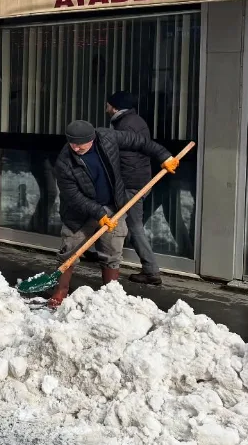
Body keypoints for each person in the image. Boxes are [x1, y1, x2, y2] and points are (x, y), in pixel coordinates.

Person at [49, 119, 179, 308]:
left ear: (92, 138)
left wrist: (164, 156)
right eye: (72, 144)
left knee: (112, 250)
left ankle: (111, 293)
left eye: (80, 144)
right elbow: (73, 196)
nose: (76, 148)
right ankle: (61, 290)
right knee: (70, 251)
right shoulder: (64, 162)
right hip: (79, 213)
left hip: (114, 206)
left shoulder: (108, 138)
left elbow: (141, 142)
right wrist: (98, 213)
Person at [106, 91, 161, 285]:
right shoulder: (136, 121)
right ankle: (101, 252)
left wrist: (120, 183)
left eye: (108, 104)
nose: (106, 107)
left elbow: (126, 159)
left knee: (134, 225)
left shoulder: (125, 125)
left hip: (132, 184)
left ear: (115, 107)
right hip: (140, 180)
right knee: (118, 219)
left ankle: (151, 270)